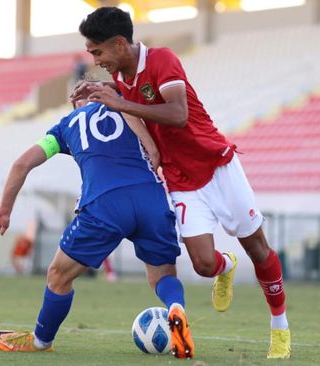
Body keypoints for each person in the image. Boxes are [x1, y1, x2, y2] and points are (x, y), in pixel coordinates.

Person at [72, 7, 290, 358]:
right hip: (180, 178)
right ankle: (226, 266)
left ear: (118, 44)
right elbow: (134, 93)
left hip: (216, 165)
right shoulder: (124, 75)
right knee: (203, 265)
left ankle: (280, 328)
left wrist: (119, 100)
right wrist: (107, 91)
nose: (96, 60)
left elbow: (178, 114)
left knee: (258, 248)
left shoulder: (162, 59)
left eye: (98, 52)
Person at [0, 97, 195, 358]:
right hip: (151, 198)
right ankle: (176, 308)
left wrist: (4, 209)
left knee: (59, 276)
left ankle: (41, 340)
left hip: (105, 204)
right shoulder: (131, 110)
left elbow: (22, 164)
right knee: (163, 277)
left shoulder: (66, 126)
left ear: (76, 102)